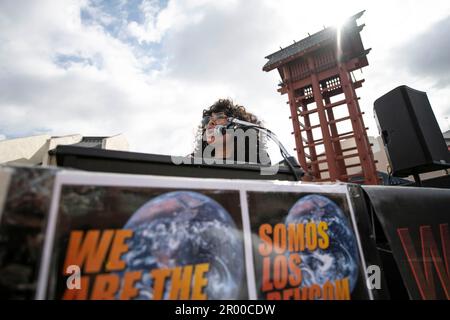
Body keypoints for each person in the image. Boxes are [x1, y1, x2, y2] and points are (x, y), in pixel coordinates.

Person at [192, 99, 270, 165]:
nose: (210, 124)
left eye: (219, 118)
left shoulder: (257, 161)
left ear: (235, 126)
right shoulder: (194, 163)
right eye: (207, 120)